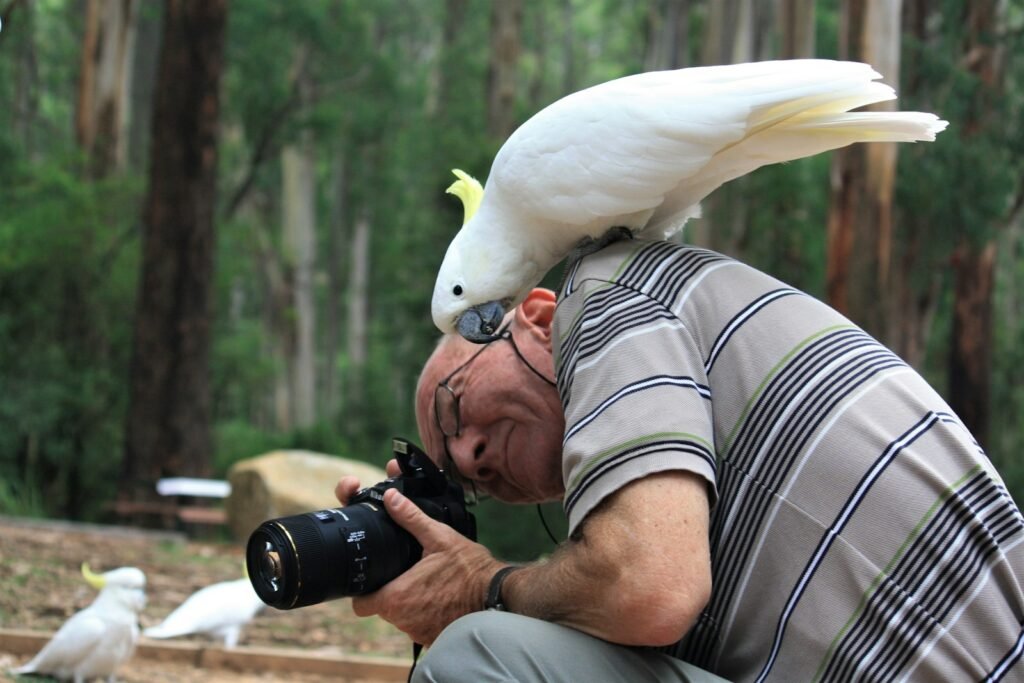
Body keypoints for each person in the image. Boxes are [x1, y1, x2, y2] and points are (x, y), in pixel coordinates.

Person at [336, 237, 1024, 682]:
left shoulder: (600, 292)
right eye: (459, 476)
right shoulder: (660, 480)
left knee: (476, 660)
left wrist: (485, 589)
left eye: (455, 408)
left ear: (539, 319)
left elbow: (651, 588)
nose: (468, 453)